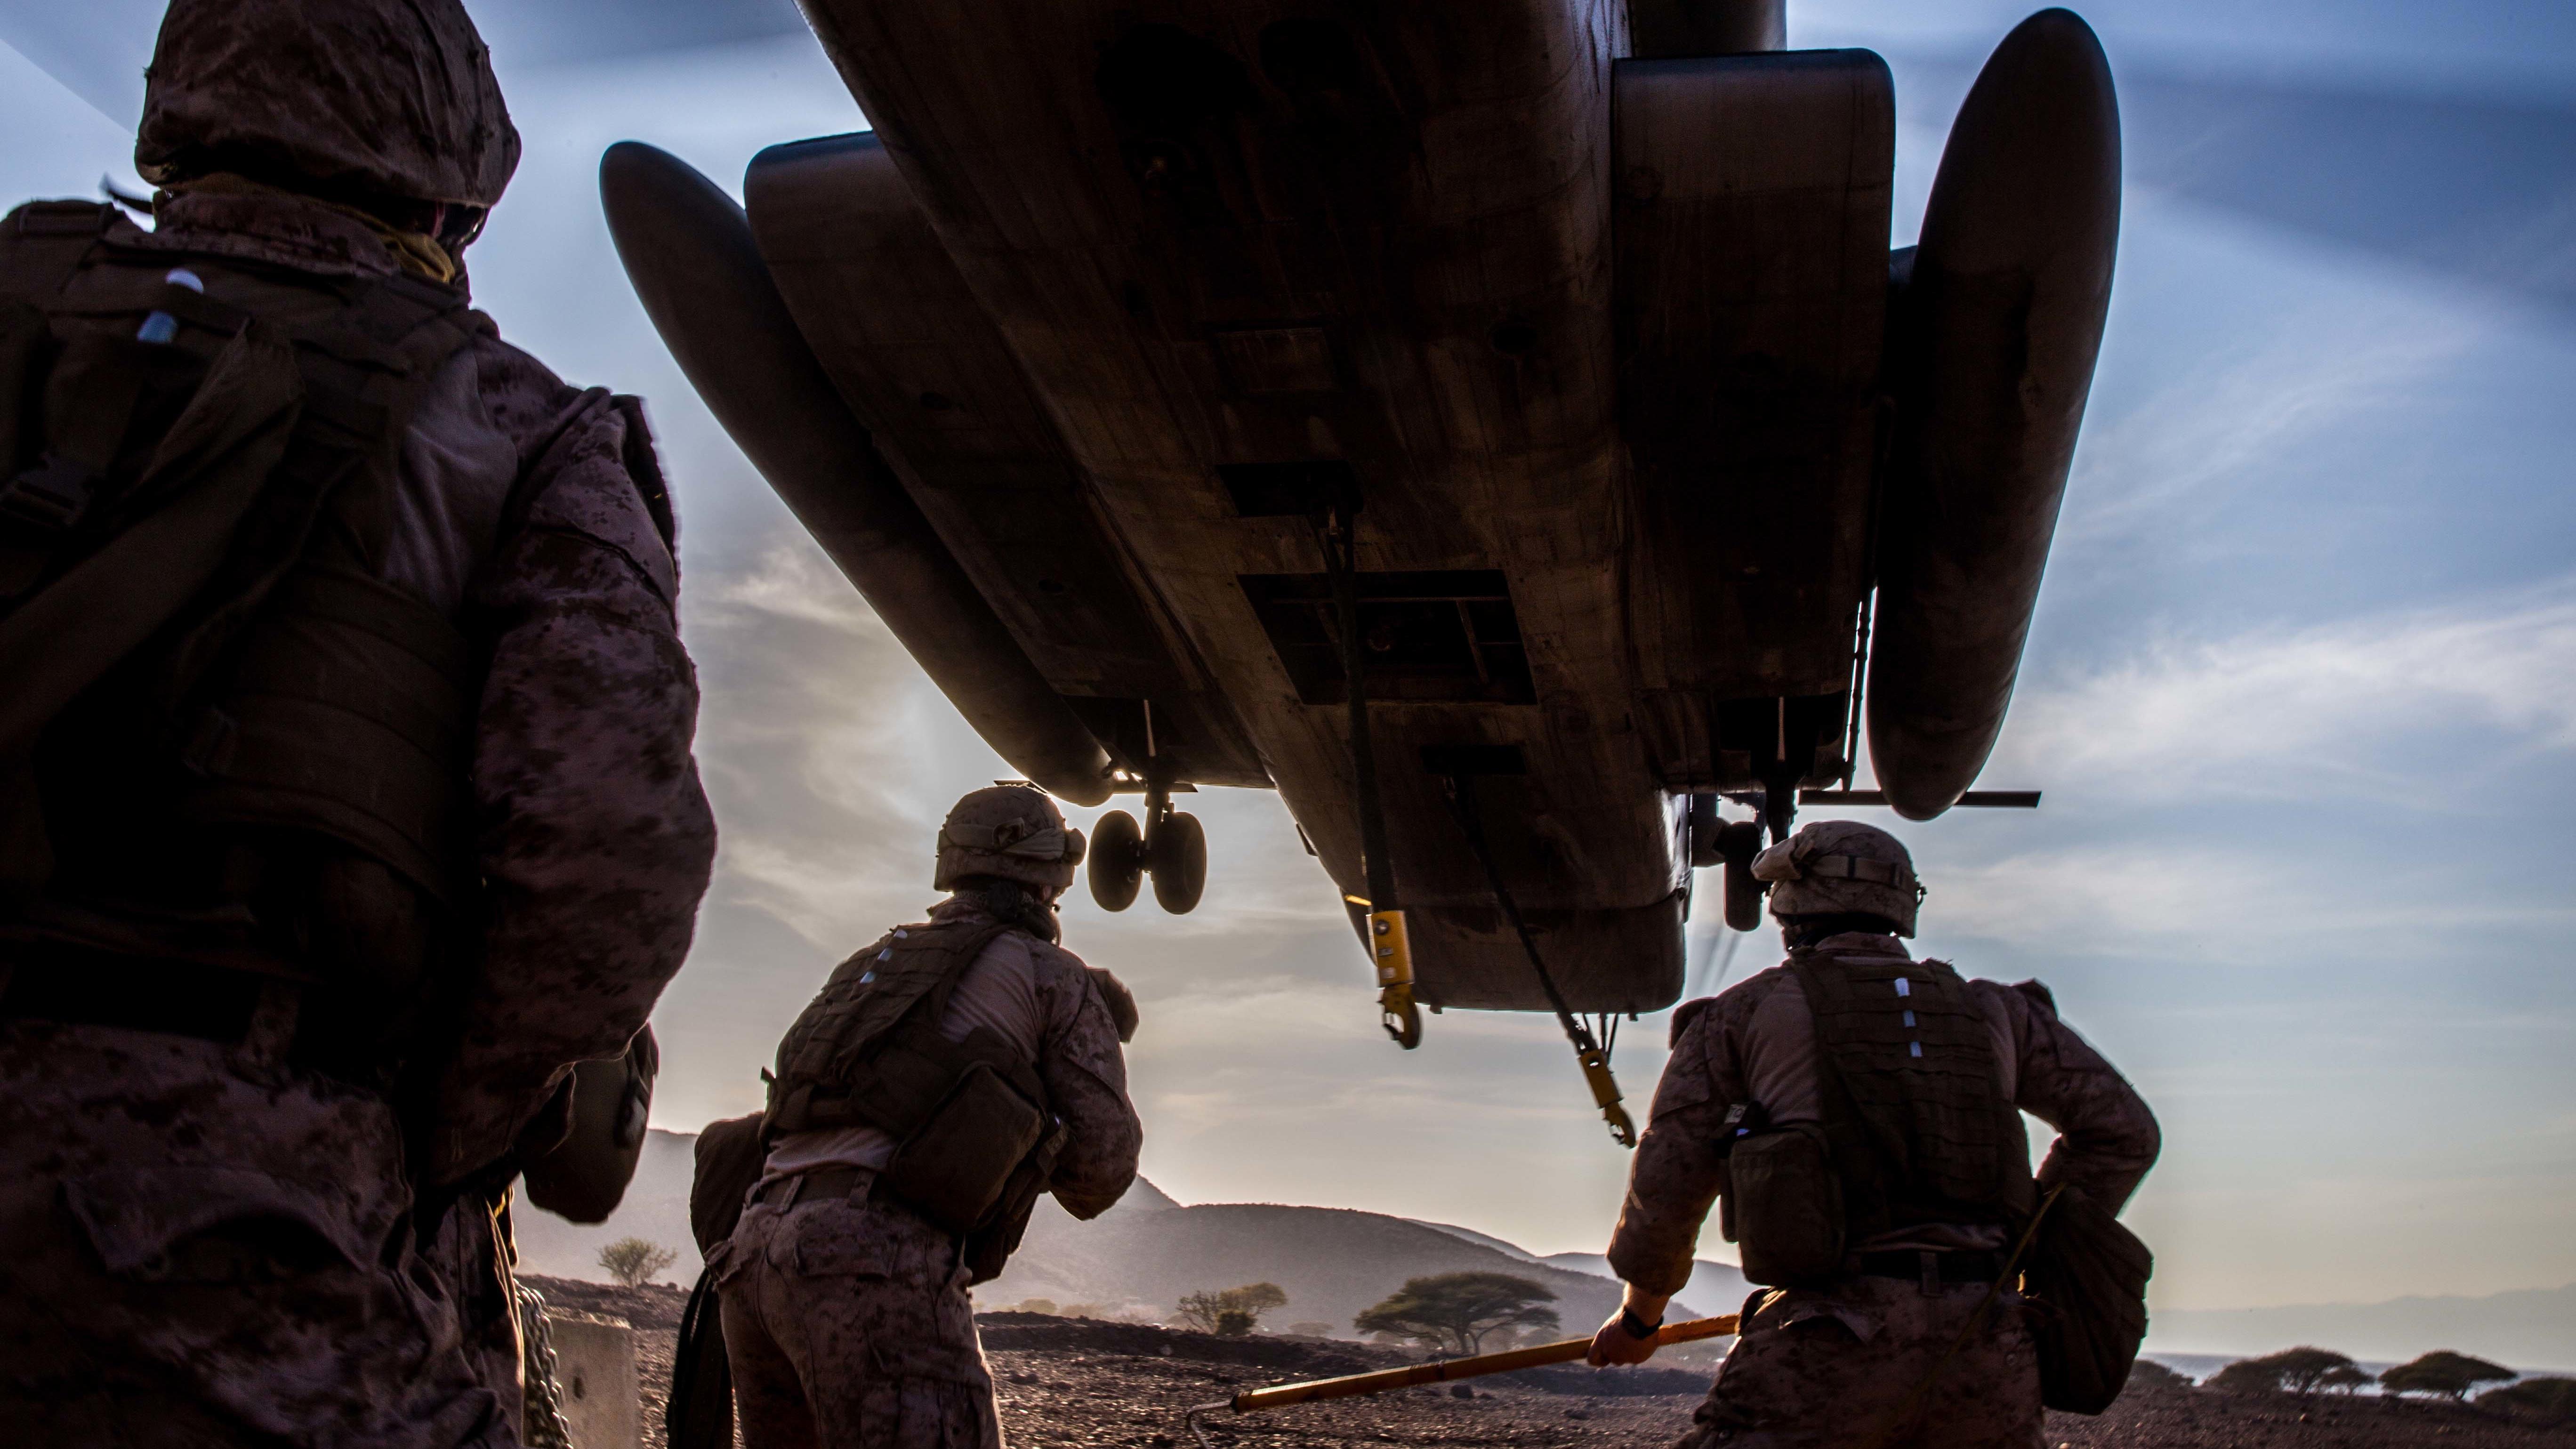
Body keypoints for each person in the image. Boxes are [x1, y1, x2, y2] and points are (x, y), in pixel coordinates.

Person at [0, 1, 717, 1443]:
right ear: (454, 166)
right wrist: (426, 1139)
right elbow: (607, 853)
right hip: (217, 1185)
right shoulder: (507, 424)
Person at [1587, 821, 2158, 1449]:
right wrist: (2029, 1241)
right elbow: (2124, 1132)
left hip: (1827, 1344)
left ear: (1791, 908)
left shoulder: (1742, 1014)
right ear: (1903, 904)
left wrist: (1640, 1320)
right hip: (1991, 1344)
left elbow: (1668, 1183)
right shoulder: (1999, 1010)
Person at [719, 784, 1143, 1449]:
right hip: (868, 1258)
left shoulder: (865, 965)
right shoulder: (1050, 974)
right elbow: (1102, 1169)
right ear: (1051, 875)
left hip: (753, 1253)